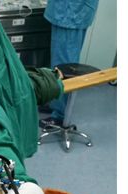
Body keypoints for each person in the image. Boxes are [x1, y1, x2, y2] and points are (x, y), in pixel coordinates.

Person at [40, 0, 100, 128]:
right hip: (69, 11)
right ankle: (55, 103)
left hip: (70, 12)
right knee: (58, 61)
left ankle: (60, 115)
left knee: (63, 65)